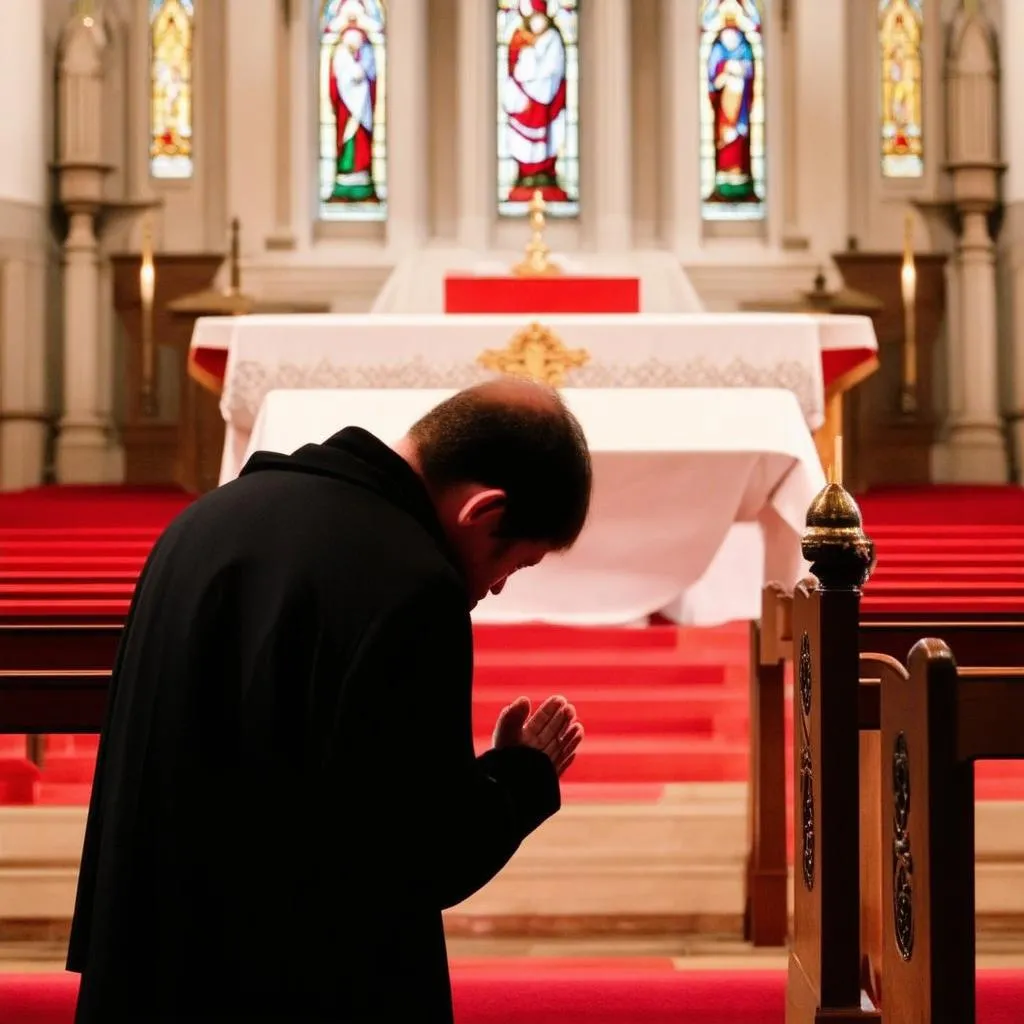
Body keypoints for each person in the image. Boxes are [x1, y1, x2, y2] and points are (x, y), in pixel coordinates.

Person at [67, 379, 592, 1023]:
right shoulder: (413, 588)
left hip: (150, 961)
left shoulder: (206, 519)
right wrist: (520, 776)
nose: (500, 586)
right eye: (514, 562)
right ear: (483, 511)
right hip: (299, 982)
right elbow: (419, 856)